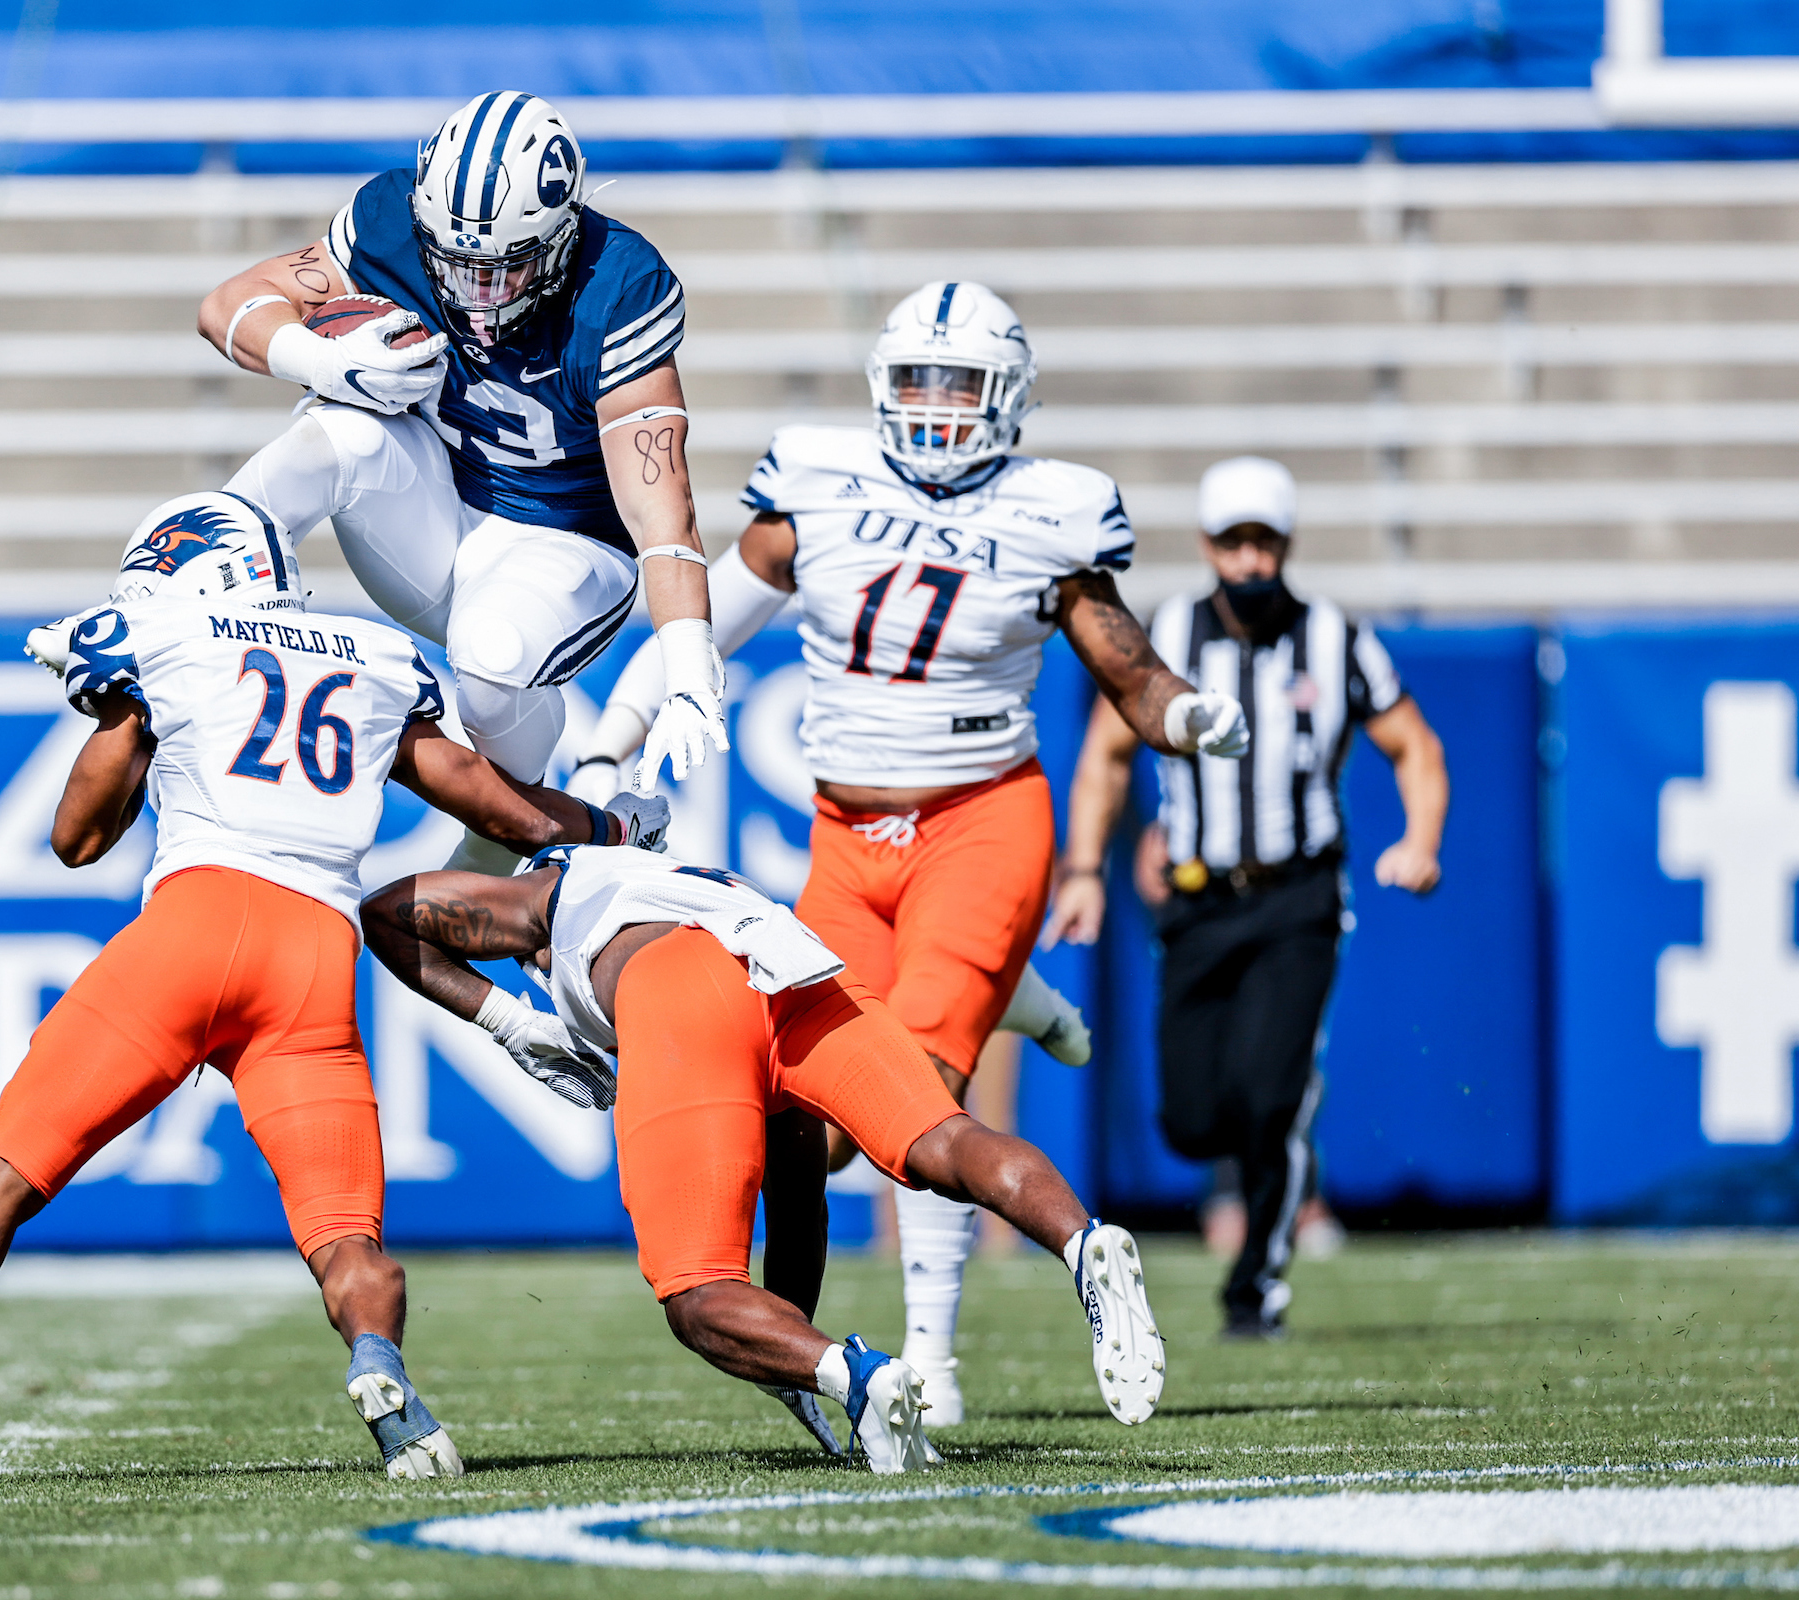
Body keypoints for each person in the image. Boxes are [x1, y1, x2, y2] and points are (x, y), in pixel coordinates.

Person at [0, 493, 668, 1491]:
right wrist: (610, 828)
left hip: (192, 933)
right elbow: (492, 799)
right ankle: (389, 1385)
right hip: (312, 963)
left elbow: (76, 840)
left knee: (4, 1180)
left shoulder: (165, 635)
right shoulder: (373, 653)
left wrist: (121, 711)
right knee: (348, 1238)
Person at [567, 281, 1248, 1426]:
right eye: (918, 382)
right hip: (847, 838)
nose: (936, 407)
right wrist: (610, 751)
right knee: (815, 1122)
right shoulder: (820, 487)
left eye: (960, 385)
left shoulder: (1049, 510)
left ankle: (932, 1358)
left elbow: (1127, 670)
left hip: (980, 822)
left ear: (1008, 397)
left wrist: (1188, 715)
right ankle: (1009, 991)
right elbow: (698, 624)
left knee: (919, 1101)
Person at [360, 843, 1168, 1475]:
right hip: (791, 961)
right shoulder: (684, 878)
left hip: (678, 986)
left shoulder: (559, 888)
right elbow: (800, 1206)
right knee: (945, 1139)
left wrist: (507, 1019)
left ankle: (863, 1377)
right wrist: (805, 1369)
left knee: (696, 1291)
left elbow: (388, 911)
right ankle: (1083, 1242)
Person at [196, 91, 728, 874]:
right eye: (456, 263)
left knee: (491, 652)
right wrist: (324, 360)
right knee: (337, 427)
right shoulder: (390, 220)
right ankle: (186, 599)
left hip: (566, 544)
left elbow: (660, 507)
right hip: (434, 509)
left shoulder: (617, 283)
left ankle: (494, 850)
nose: (477, 292)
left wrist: (688, 661)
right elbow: (224, 306)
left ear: (560, 235)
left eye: (505, 267)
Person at [1045, 455, 1449, 1339]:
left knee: (1271, 1099)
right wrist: (1082, 869)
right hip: (1195, 902)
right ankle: (1264, 1159)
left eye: (1264, 541)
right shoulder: (1170, 635)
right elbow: (1104, 760)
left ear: (1286, 545)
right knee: (1191, 1122)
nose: (1251, 560)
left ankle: (1256, 1277)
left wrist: (1419, 841)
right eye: (1235, 541)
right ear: (1207, 545)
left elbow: (1414, 744)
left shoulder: (1336, 636)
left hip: (1297, 894)